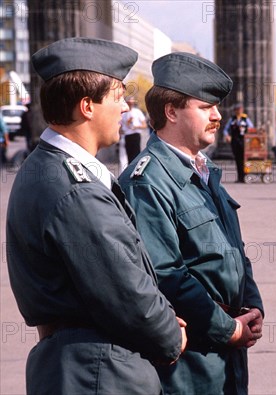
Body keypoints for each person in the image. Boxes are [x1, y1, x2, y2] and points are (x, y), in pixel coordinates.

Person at [5, 37, 185, 395]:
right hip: (99, 371)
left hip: (82, 365)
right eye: (117, 96)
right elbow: (125, 290)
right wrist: (170, 334)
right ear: (87, 106)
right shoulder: (75, 187)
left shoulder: (46, 168)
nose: (124, 108)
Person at [119, 52, 264, 395]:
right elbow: (166, 275)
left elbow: (234, 250)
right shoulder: (147, 180)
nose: (217, 116)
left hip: (227, 344)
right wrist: (226, 328)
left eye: (216, 107)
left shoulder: (204, 171)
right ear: (171, 111)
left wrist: (253, 305)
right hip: (190, 359)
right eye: (204, 107)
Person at [223, 103, 254, 182]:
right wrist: (227, 136)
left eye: (240, 109)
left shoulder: (245, 118)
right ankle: (240, 177)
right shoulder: (232, 119)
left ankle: (245, 176)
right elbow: (226, 129)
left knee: (244, 159)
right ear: (235, 111)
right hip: (235, 141)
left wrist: (246, 130)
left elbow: (251, 127)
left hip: (243, 140)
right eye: (238, 109)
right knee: (238, 159)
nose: (239, 111)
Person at [120, 96, 147, 166]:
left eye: (132, 102)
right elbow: (120, 127)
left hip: (135, 135)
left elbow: (144, 125)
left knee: (136, 156)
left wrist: (137, 127)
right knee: (129, 157)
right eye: (129, 102)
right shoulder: (123, 114)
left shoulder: (137, 112)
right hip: (127, 136)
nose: (130, 104)